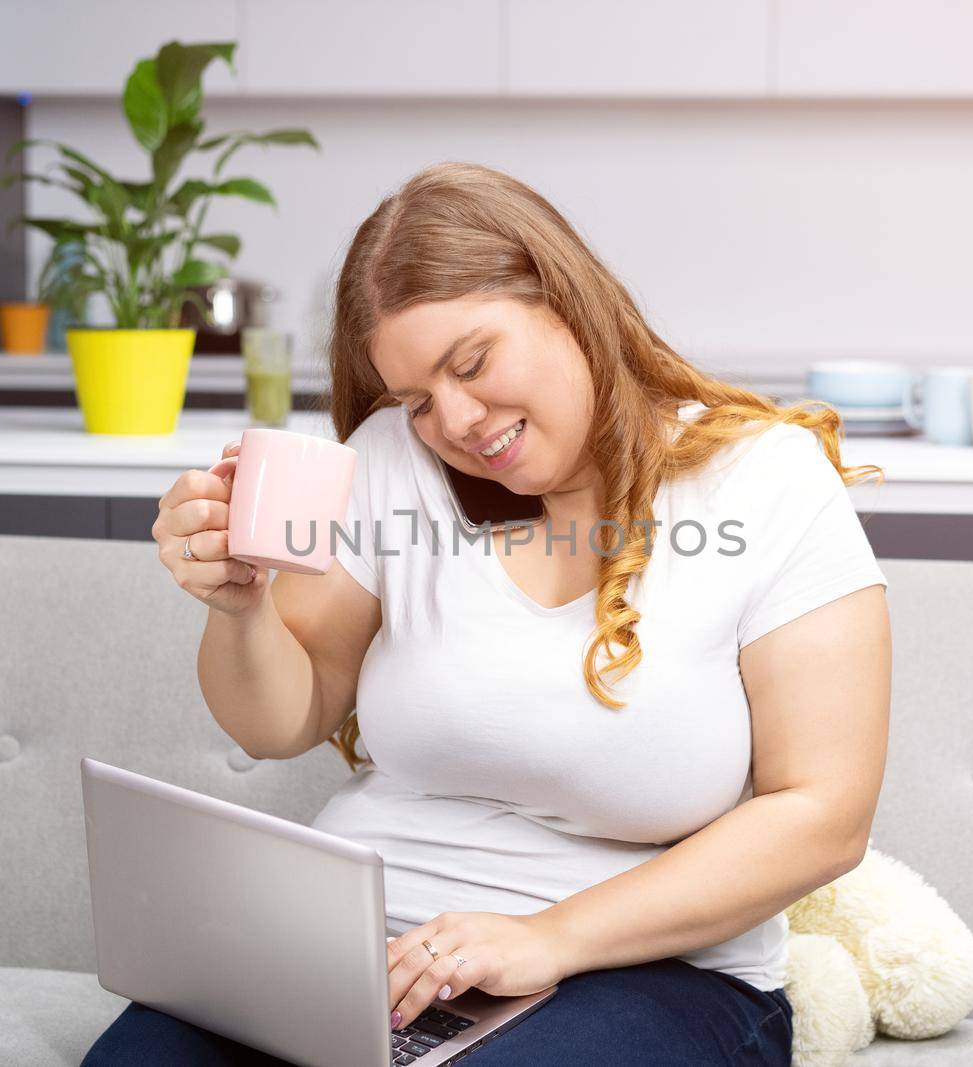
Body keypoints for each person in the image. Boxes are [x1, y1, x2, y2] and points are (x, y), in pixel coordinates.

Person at [88, 161, 892, 1066]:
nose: (458, 422)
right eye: (419, 399)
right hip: (367, 945)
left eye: (472, 363)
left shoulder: (765, 480)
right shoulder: (395, 462)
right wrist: (239, 607)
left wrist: (548, 936)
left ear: (568, 301)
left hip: (647, 971)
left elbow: (825, 812)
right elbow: (286, 717)